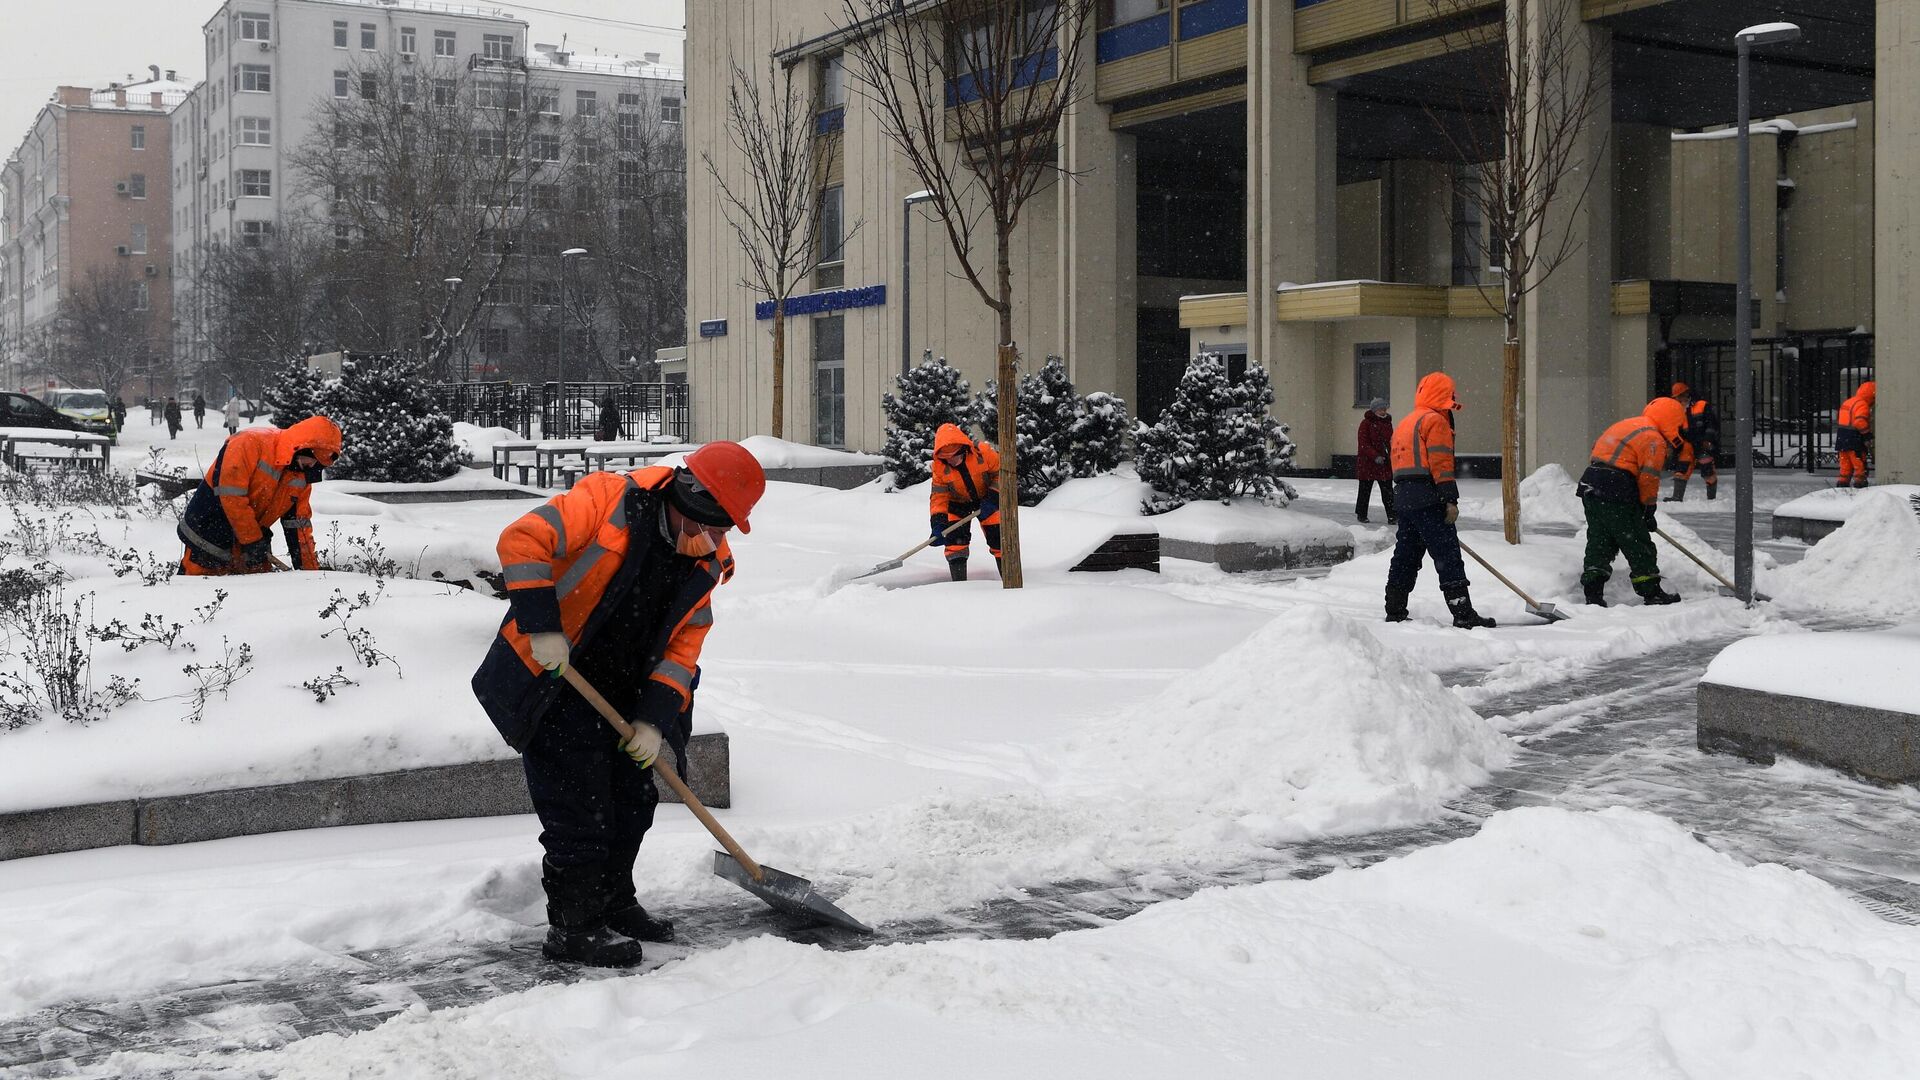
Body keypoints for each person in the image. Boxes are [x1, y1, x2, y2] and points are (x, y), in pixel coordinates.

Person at [471, 442, 765, 968]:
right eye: (712, 529)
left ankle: (614, 902)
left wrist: (653, 722)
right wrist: (541, 625)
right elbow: (522, 539)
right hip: (558, 678)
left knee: (632, 803)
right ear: (688, 504)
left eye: (724, 532)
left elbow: (684, 646)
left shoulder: (705, 562)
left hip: (627, 694)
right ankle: (574, 928)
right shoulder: (608, 501)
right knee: (579, 811)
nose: (716, 542)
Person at [1385, 372, 1494, 629]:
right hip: (1428, 495)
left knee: (1406, 555)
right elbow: (1441, 463)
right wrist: (1450, 499)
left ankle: (1395, 608)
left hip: (1403, 495)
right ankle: (1463, 613)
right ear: (1445, 395)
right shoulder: (1435, 421)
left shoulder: (1407, 421)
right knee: (1447, 555)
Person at [178, 416, 343, 576]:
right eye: (311, 461)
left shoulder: (300, 475)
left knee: (257, 596)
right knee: (202, 594)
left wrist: (310, 572)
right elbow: (231, 497)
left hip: (253, 541)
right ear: (303, 447)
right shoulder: (249, 443)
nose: (312, 467)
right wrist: (252, 541)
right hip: (209, 535)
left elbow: (299, 525)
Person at [1575, 396, 1687, 607]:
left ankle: (1593, 592)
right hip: (1616, 487)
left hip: (1591, 483)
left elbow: (1598, 451)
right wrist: (1648, 509)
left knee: (1601, 540)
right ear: (1672, 420)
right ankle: (1651, 591)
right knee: (1636, 542)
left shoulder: (1628, 424)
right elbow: (1649, 477)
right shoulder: (1653, 438)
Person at [928, 422, 1001, 581]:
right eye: (947, 459)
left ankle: (1009, 578)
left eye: (955, 456)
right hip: (957, 504)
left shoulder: (983, 453)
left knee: (1000, 537)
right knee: (955, 543)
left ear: (963, 449)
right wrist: (938, 522)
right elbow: (939, 497)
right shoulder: (940, 468)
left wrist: (993, 497)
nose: (952, 461)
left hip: (987, 499)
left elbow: (1002, 474)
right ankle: (960, 587)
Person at [1665, 382, 1720, 502]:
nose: (1678, 399)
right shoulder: (1676, 410)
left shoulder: (1702, 405)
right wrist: (1673, 446)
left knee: (1707, 470)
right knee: (1681, 470)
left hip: (1702, 443)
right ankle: (1677, 497)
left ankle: (1711, 499)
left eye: (1679, 396)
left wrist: (1708, 439)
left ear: (1686, 394)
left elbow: (1712, 424)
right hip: (1687, 444)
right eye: (1676, 397)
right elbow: (1675, 430)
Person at [1354, 397, 1395, 524]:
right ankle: (1361, 514)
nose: (1383, 411)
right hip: (1368, 463)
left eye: (1384, 409)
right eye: (1380, 409)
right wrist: (1375, 455)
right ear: (1374, 410)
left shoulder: (1388, 423)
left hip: (1385, 463)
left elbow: (1391, 440)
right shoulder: (1366, 423)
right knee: (1365, 490)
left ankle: (1393, 515)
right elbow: (1363, 443)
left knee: (1388, 491)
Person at [1836, 380, 1876, 489]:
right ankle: (1860, 482)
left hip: (1842, 436)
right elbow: (1859, 421)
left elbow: (1839, 417)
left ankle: (1843, 482)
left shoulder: (1848, 401)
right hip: (1854, 437)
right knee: (1858, 461)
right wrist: (1867, 433)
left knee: (1845, 462)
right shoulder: (1862, 404)